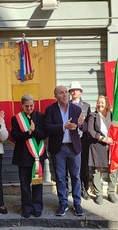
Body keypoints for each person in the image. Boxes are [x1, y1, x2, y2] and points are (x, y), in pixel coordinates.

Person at [44, 85, 86, 217]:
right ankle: (63, 203)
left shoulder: (76, 108)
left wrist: (80, 124)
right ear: (55, 96)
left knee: (76, 176)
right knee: (61, 177)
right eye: (61, 93)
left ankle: (77, 203)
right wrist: (64, 126)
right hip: (58, 148)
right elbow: (47, 128)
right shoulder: (50, 109)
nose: (65, 95)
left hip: (74, 148)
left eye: (66, 92)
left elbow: (84, 127)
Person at [11, 94, 47, 218]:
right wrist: (28, 133)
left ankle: (37, 206)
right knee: (25, 184)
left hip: (37, 156)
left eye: (32, 106)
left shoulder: (40, 117)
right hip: (23, 156)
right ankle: (26, 207)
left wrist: (35, 131)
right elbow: (15, 137)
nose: (30, 108)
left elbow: (44, 134)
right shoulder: (16, 119)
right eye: (27, 106)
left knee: (37, 183)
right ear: (22, 106)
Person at [87, 95, 118, 205]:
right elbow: (90, 130)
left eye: (102, 103)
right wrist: (102, 138)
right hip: (98, 146)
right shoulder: (93, 116)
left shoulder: (112, 115)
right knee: (97, 171)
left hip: (112, 147)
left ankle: (111, 192)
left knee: (113, 170)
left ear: (107, 105)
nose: (99, 104)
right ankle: (99, 194)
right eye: (98, 102)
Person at [68, 81, 92, 200]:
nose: (74, 92)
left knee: (83, 166)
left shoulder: (86, 106)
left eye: (76, 90)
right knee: (70, 165)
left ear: (80, 92)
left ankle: (84, 188)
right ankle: (70, 189)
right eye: (72, 90)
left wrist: (82, 125)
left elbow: (88, 125)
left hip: (82, 140)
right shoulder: (66, 105)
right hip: (69, 139)